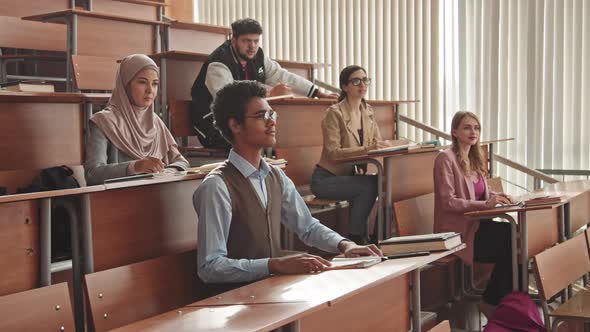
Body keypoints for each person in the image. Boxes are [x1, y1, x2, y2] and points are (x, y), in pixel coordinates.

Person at [193, 81, 381, 294]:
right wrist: (276, 264)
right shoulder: (216, 186)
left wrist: (346, 245)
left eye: (272, 115)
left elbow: (308, 227)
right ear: (235, 125)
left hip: (270, 291)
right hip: (232, 303)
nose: (271, 122)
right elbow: (210, 267)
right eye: (261, 116)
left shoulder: (275, 176)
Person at [190, 18, 337, 150]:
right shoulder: (218, 62)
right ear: (233, 40)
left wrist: (318, 93)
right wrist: (268, 94)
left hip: (244, 122)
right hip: (213, 125)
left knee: (286, 131)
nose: (252, 46)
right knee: (267, 136)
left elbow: (283, 76)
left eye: (256, 41)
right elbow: (229, 100)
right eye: (246, 41)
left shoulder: (258, 55)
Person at [433, 111, 513, 317]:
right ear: (454, 131)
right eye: (467, 127)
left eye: (476, 128)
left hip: (477, 224)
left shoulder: (475, 158)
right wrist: (486, 204)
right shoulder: (445, 158)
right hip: (458, 231)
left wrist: (497, 196)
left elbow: (477, 192)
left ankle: (501, 300)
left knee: (514, 235)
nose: (473, 132)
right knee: (510, 242)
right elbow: (448, 201)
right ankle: (492, 300)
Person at [310, 65, 391, 244]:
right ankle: (358, 238)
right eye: (356, 81)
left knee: (386, 182)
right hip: (326, 180)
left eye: (365, 80)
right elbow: (333, 154)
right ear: (345, 86)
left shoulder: (368, 111)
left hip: (351, 177)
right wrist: (367, 150)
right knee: (369, 185)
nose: (362, 85)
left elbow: (376, 144)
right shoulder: (334, 113)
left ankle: (380, 237)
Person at [85, 54, 188, 185]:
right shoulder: (103, 121)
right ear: (125, 85)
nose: (150, 90)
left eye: (155, 84)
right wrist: (135, 167)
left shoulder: (155, 122)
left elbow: (181, 162)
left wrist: (170, 170)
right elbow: (92, 174)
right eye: (142, 82)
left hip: (158, 194)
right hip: (117, 199)